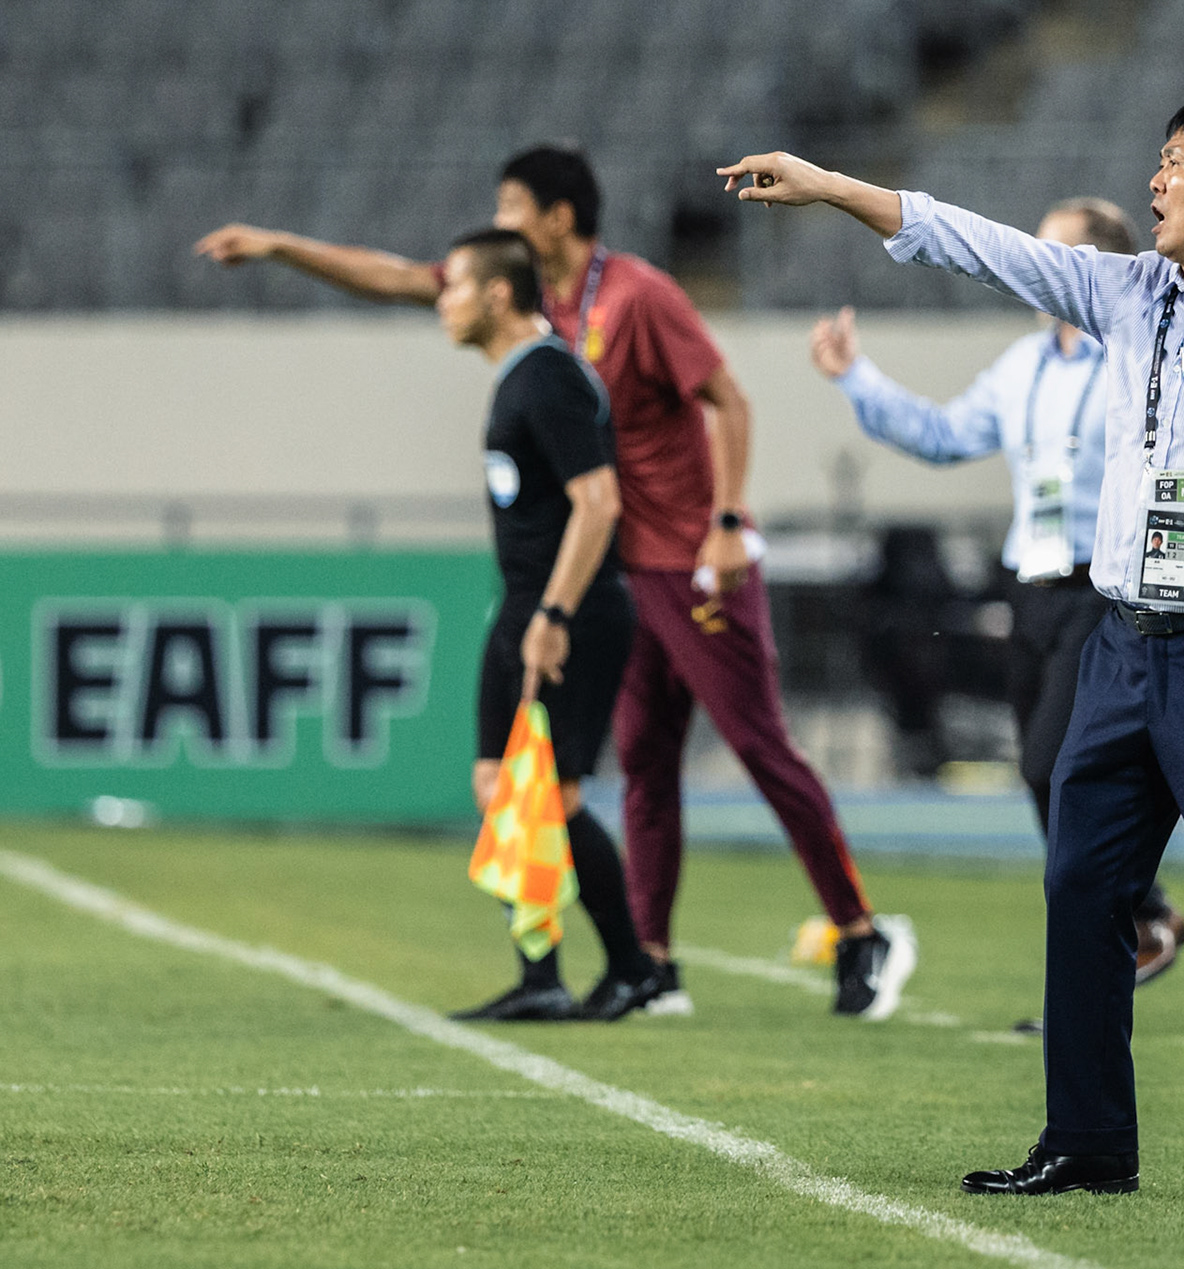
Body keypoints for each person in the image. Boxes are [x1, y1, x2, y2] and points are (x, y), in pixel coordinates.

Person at [721, 91, 1184, 1201]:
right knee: (1079, 880)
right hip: (1120, 643)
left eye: (1174, 162)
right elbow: (980, 245)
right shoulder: (1123, 293)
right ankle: (1090, 1140)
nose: (1154, 182)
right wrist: (830, 187)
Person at [195, 147, 915, 1022]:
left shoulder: (639, 296)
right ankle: (649, 963)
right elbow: (391, 278)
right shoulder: (524, 302)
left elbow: (729, 400)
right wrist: (277, 247)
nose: (498, 225)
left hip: (690, 560)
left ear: (558, 217)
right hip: (611, 567)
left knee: (759, 747)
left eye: (511, 206)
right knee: (644, 768)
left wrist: (727, 524)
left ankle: (860, 929)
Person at [809, 197, 1184, 992]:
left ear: (1096, 268)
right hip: (1031, 588)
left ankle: (1131, 918)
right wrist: (858, 379)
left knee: (1055, 767)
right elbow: (946, 437)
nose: (1034, 266)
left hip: (1104, 586)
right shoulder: (1023, 366)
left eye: (1054, 253)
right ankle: (1134, 924)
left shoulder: (1139, 357)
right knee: (1039, 773)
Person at [440, 227, 663, 1022]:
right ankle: (541, 978)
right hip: (526, 607)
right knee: (497, 784)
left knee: (556, 795)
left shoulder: (549, 379)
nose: (443, 300)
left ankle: (636, 969)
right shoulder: (517, 376)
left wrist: (555, 614)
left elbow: (598, 502)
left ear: (498, 294)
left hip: (571, 613)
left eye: (454, 286)